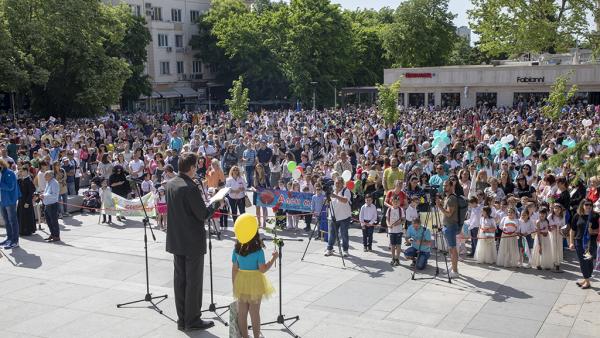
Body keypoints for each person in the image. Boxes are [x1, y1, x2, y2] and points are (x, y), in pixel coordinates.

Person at [166, 152, 219, 331]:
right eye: (196, 166)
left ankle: (182, 319)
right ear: (191, 168)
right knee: (193, 282)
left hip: (176, 240)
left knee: (180, 281)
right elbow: (203, 214)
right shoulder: (190, 187)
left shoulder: (171, 183)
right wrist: (217, 203)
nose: (197, 168)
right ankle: (193, 320)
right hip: (192, 242)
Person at [232, 232, 277, 338]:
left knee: (242, 312)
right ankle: (256, 336)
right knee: (254, 312)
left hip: (241, 281)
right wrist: (273, 259)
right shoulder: (258, 251)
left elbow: (234, 269)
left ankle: (245, 336)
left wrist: (234, 285)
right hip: (255, 282)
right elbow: (263, 269)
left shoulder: (237, 249)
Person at [569, 200, 599, 290]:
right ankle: (587, 281)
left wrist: (592, 231)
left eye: (590, 205)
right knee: (583, 262)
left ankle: (586, 278)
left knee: (589, 261)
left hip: (591, 243)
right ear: (582, 205)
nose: (589, 206)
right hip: (579, 242)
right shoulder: (577, 216)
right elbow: (572, 230)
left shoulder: (595, 216)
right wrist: (571, 242)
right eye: (586, 205)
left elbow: (598, 230)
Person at [437, 179, 460, 277]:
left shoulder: (451, 199)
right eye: (443, 185)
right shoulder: (447, 198)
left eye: (446, 185)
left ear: (451, 186)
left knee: (453, 248)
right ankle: (453, 267)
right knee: (450, 249)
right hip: (447, 226)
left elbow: (449, 213)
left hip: (451, 226)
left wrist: (440, 207)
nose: (444, 187)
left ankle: (455, 272)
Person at [325, 177, 352, 257]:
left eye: (339, 182)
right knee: (332, 234)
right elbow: (328, 203)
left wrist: (335, 196)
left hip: (344, 217)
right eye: (336, 182)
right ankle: (329, 249)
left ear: (342, 183)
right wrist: (327, 199)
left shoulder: (345, 191)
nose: (337, 184)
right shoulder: (331, 190)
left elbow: (345, 200)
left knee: (344, 234)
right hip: (333, 216)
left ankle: (345, 250)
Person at [0, 158, 21, 249]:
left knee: (12, 220)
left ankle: (15, 241)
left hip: (10, 200)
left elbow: (10, 187)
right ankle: (9, 238)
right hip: (2, 200)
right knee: (6, 221)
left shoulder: (9, 173)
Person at [41, 170, 61, 242]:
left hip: (52, 205)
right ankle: (52, 234)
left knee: (54, 221)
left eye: (46, 175)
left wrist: (44, 195)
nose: (44, 177)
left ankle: (56, 236)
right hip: (47, 204)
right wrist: (43, 194)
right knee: (49, 221)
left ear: (50, 176)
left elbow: (55, 195)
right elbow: (47, 192)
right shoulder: (48, 182)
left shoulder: (54, 183)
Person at [17, 166, 36, 236]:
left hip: (26, 201)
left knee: (27, 216)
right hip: (21, 200)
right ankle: (21, 230)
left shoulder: (28, 180)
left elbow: (31, 192)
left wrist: (28, 202)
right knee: (21, 216)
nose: (22, 173)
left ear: (27, 172)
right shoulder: (20, 180)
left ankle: (27, 230)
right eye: (21, 171)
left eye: (24, 171)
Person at [386, 196, 404, 266]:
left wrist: (397, 224)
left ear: (399, 202)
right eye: (394, 201)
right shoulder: (389, 209)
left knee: (398, 245)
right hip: (391, 231)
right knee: (393, 245)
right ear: (392, 202)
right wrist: (388, 225)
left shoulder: (401, 210)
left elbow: (403, 220)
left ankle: (398, 259)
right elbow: (387, 219)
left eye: (397, 202)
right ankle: (393, 258)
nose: (396, 203)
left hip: (399, 230)